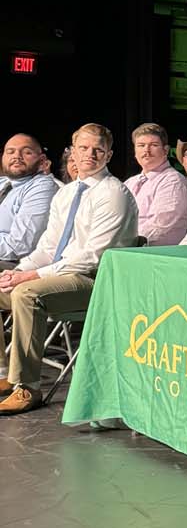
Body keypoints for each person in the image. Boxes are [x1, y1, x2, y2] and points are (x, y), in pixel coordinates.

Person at [0, 123, 139, 415]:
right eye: (83, 148)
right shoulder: (66, 194)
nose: (90, 154)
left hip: (97, 282)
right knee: (8, 286)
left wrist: (29, 276)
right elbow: (48, 247)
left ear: (109, 154)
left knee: (27, 293)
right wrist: (18, 271)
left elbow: (90, 258)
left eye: (98, 149)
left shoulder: (113, 193)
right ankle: (4, 375)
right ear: (71, 152)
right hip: (60, 275)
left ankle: (28, 387)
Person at [124, 122, 187, 246]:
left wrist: (123, 240)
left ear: (165, 150)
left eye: (154, 145)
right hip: (128, 249)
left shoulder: (173, 181)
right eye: (141, 145)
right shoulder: (130, 182)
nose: (146, 150)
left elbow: (160, 223)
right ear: (135, 151)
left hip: (155, 254)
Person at [0, 134, 59, 268]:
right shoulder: (3, 183)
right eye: (10, 152)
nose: (17, 156)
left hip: (12, 262)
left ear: (42, 159)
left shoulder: (42, 187)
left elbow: (18, 246)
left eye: (27, 152)